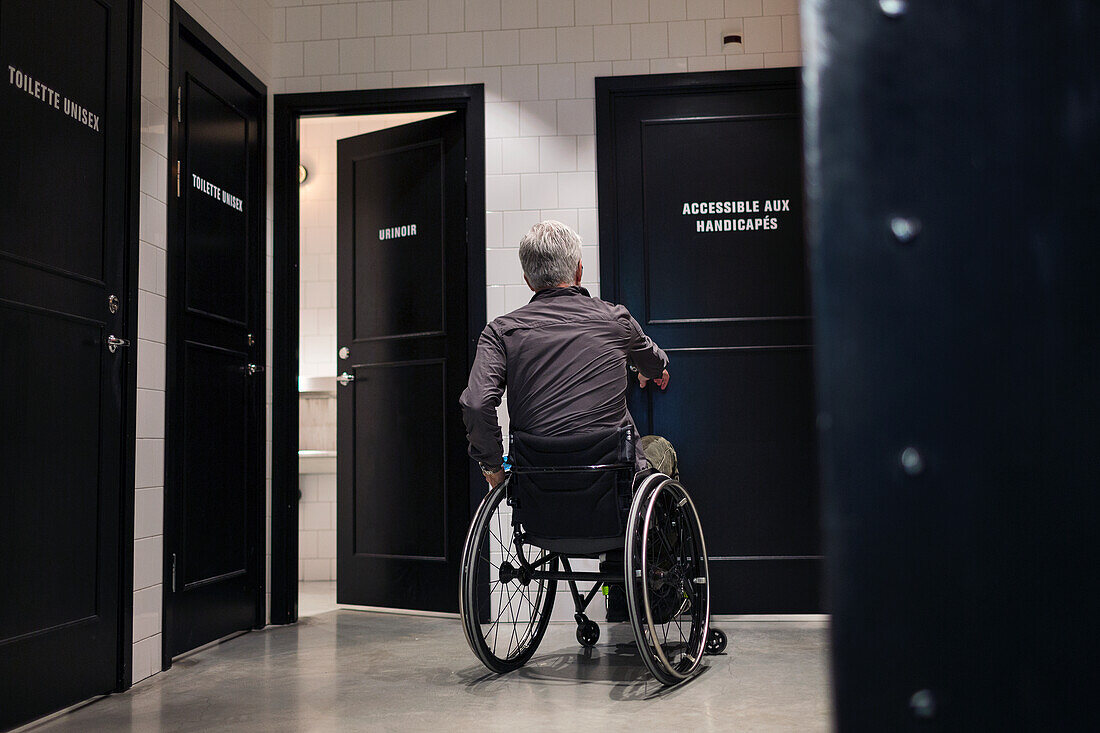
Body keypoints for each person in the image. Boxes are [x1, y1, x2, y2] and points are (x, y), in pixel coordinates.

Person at [459, 220, 676, 490]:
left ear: (528, 280)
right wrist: (648, 371)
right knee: (660, 449)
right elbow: (655, 361)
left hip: (538, 488)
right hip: (613, 485)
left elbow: (477, 404)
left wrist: (491, 464)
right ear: (579, 270)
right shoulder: (616, 319)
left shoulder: (500, 332)